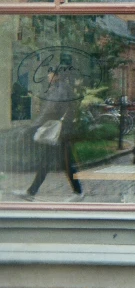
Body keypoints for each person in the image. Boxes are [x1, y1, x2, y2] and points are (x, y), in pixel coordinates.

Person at [13, 71, 82, 201]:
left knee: (65, 163)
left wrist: (34, 126)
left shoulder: (60, 88)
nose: (48, 76)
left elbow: (51, 110)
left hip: (60, 132)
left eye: (50, 74)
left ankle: (78, 193)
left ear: (57, 75)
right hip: (61, 131)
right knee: (51, 161)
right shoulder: (60, 87)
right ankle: (31, 192)